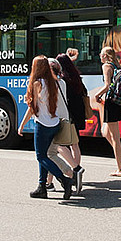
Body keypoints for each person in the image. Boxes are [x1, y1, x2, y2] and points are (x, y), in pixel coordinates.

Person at [17, 55, 74, 200]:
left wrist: (21, 126)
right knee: (44, 156)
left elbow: (32, 109)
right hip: (54, 123)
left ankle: (64, 180)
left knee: (41, 156)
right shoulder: (52, 82)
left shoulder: (37, 83)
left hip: (42, 125)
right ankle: (42, 187)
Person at [94, 46, 121, 177]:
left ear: (106, 56)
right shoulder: (117, 66)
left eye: (101, 53)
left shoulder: (106, 66)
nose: (99, 55)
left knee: (115, 137)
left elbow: (107, 85)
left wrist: (96, 96)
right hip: (117, 103)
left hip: (111, 103)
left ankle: (120, 169)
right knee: (105, 132)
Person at [43, 58, 77, 193]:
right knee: (52, 152)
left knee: (49, 154)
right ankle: (48, 182)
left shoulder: (51, 85)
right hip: (63, 120)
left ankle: (72, 173)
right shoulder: (62, 83)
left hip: (54, 121)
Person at [56, 51, 87, 193]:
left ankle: (75, 170)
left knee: (59, 145)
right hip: (78, 114)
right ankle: (77, 170)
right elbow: (84, 93)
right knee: (75, 144)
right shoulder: (76, 77)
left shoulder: (62, 80)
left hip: (67, 116)